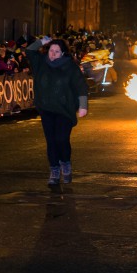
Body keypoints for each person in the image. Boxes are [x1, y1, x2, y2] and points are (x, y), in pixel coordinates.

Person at [26, 36, 88, 185]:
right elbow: (29, 51)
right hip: (47, 108)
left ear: (63, 53)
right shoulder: (41, 62)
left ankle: (65, 163)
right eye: (51, 50)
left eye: (57, 51)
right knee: (51, 141)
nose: (53, 54)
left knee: (61, 139)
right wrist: (42, 41)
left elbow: (81, 86)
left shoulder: (69, 67)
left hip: (64, 109)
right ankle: (54, 170)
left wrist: (83, 105)